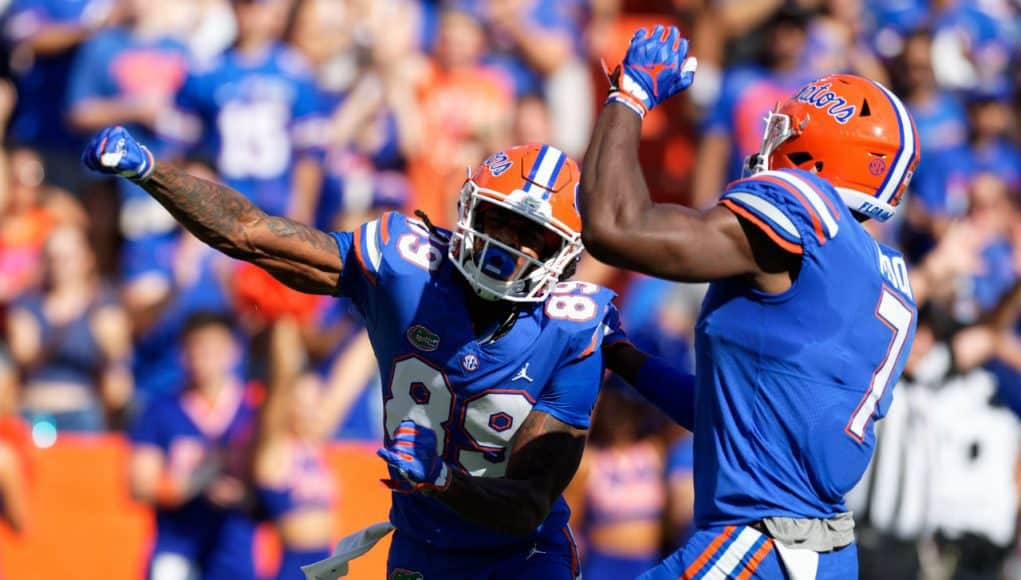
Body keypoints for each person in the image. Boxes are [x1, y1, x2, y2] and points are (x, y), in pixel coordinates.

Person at [83, 128, 614, 579]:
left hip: (521, 556)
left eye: (532, 237)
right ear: (470, 207)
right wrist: (151, 171)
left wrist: (442, 482)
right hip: (421, 542)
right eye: (500, 220)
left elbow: (528, 503)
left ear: (563, 255)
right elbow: (251, 233)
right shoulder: (406, 264)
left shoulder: (574, 329)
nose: (507, 247)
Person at [580, 25, 920, 579]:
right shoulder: (884, 273)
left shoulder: (805, 207)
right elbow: (730, 415)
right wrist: (620, 353)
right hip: (827, 554)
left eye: (785, 132)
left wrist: (631, 95)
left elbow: (616, 228)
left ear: (818, 155)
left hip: (762, 546)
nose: (768, 145)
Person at [128, 311, 259, 580]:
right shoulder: (160, 410)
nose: (203, 358)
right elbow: (139, 484)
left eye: (212, 348)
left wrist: (244, 495)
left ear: (233, 351)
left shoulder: (254, 408)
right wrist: (198, 480)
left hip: (235, 552)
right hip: (176, 548)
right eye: (195, 348)